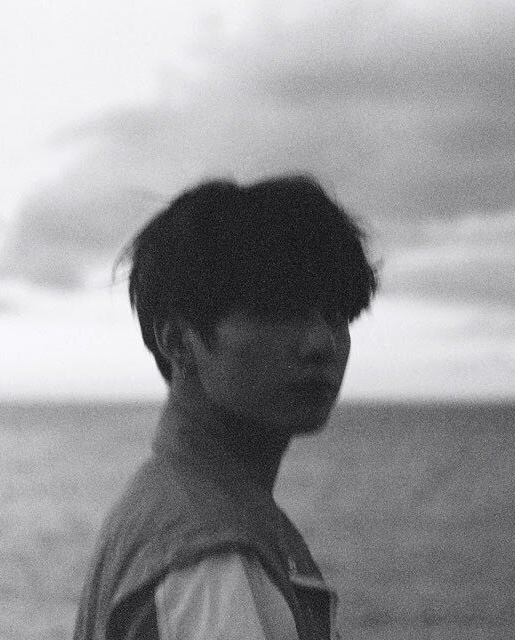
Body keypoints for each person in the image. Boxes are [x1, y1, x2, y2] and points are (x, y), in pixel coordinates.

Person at [73, 175, 378, 640]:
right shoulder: (209, 558)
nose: (322, 343)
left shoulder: (170, 507)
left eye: (337, 315)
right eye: (280, 312)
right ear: (179, 341)